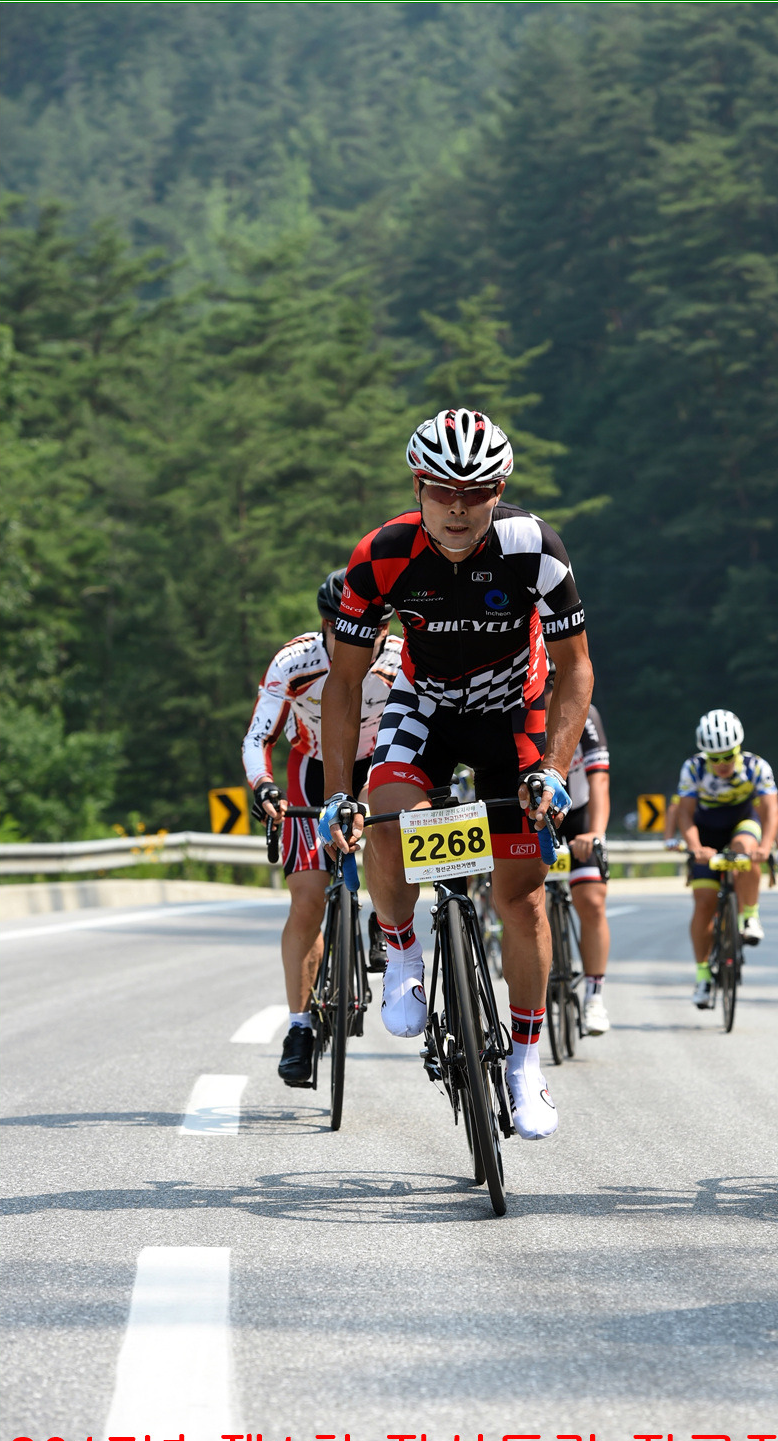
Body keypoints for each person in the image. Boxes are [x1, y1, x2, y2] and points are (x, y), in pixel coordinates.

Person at [317, 408, 594, 1140]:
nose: (459, 508)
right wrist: (340, 792)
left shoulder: (535, 548)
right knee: (387, 816)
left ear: (500, 490)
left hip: (513, 713)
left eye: (476, 492)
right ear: (419, 488)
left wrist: (555, 769)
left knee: (521, 898)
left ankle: (525, 1062)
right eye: (442, 490)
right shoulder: (382, 554)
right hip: (425, 706)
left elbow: (575, 669)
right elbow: (344, 684)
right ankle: (403, 952)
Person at [242, 571, 402, 1086]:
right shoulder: (295, 662)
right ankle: (299, 1026)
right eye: (343, 628)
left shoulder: (401, 659)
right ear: (325, 624)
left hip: (379, 763)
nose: (359, 639)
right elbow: (259, 736)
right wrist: (264, 786)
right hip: (312, 767)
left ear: (386, 627)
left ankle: (386, 920)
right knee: (308, 899)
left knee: (386, 838)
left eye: (374, 630)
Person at [664, 710, 778, 1009]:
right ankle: (703, 975)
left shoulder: (756, 766)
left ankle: (749, 916)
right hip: (705, 833)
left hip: (743, 823)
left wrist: (766, 846)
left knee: (746, 848)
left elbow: (771, 811)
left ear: (738, 748)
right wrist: (696, 847)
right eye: (714, 758)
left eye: (728, 755)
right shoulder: (693, 768)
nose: (722, 763)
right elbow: (685, 814)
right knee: (704, 902)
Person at [545, 664, 612, 1034]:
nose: (549, 693)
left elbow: (599, 781)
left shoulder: (585, 715)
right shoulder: (517, 713)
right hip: (537, 817)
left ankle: (595, 996)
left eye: (555, 685)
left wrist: (596, 834)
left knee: (592, 900)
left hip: (579, 817)